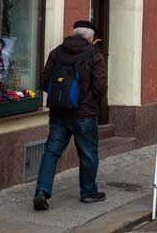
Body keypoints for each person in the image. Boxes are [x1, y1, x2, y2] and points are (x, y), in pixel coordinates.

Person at [34, 20, 108, 210]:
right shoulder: (95, 55)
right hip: (84, 113)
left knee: (51, 152)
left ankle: (42, 191)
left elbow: (44, 81)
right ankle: (88, 193)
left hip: (59, 112)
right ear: (90, 37)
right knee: (88, 154)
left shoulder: (56, 52)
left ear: (74, 34)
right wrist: (89, 103)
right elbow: (100, 86)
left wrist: (62, 98)